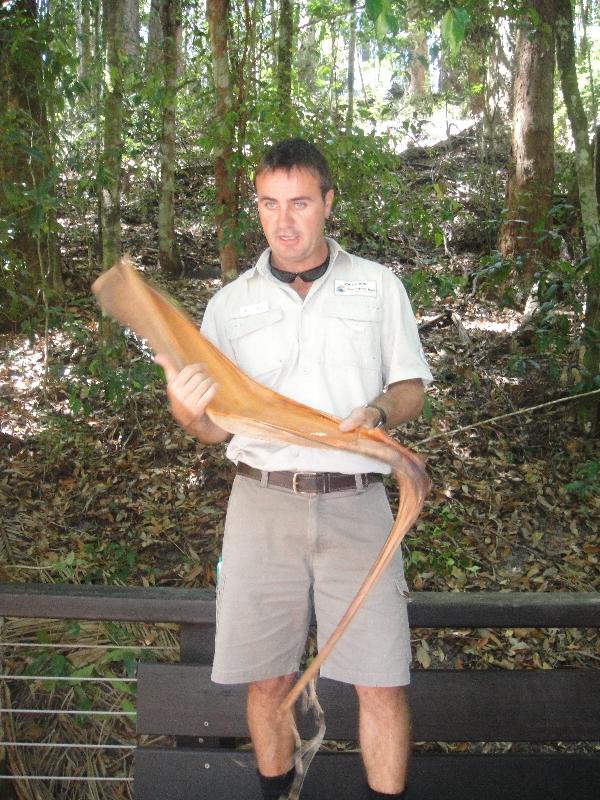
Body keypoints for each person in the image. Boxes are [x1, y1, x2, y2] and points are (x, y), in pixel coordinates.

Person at [155, 138, 432, 800]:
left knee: (381, 679)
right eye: (270, 204)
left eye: (300, 203)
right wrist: (186, 409)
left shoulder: (377, 285)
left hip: (358, 502)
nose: (284, 220)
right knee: (268, 679)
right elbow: (214, 427)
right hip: (262, 504)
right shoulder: (228, 306)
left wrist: (378, 411)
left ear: (328, 203)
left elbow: (411, 387)